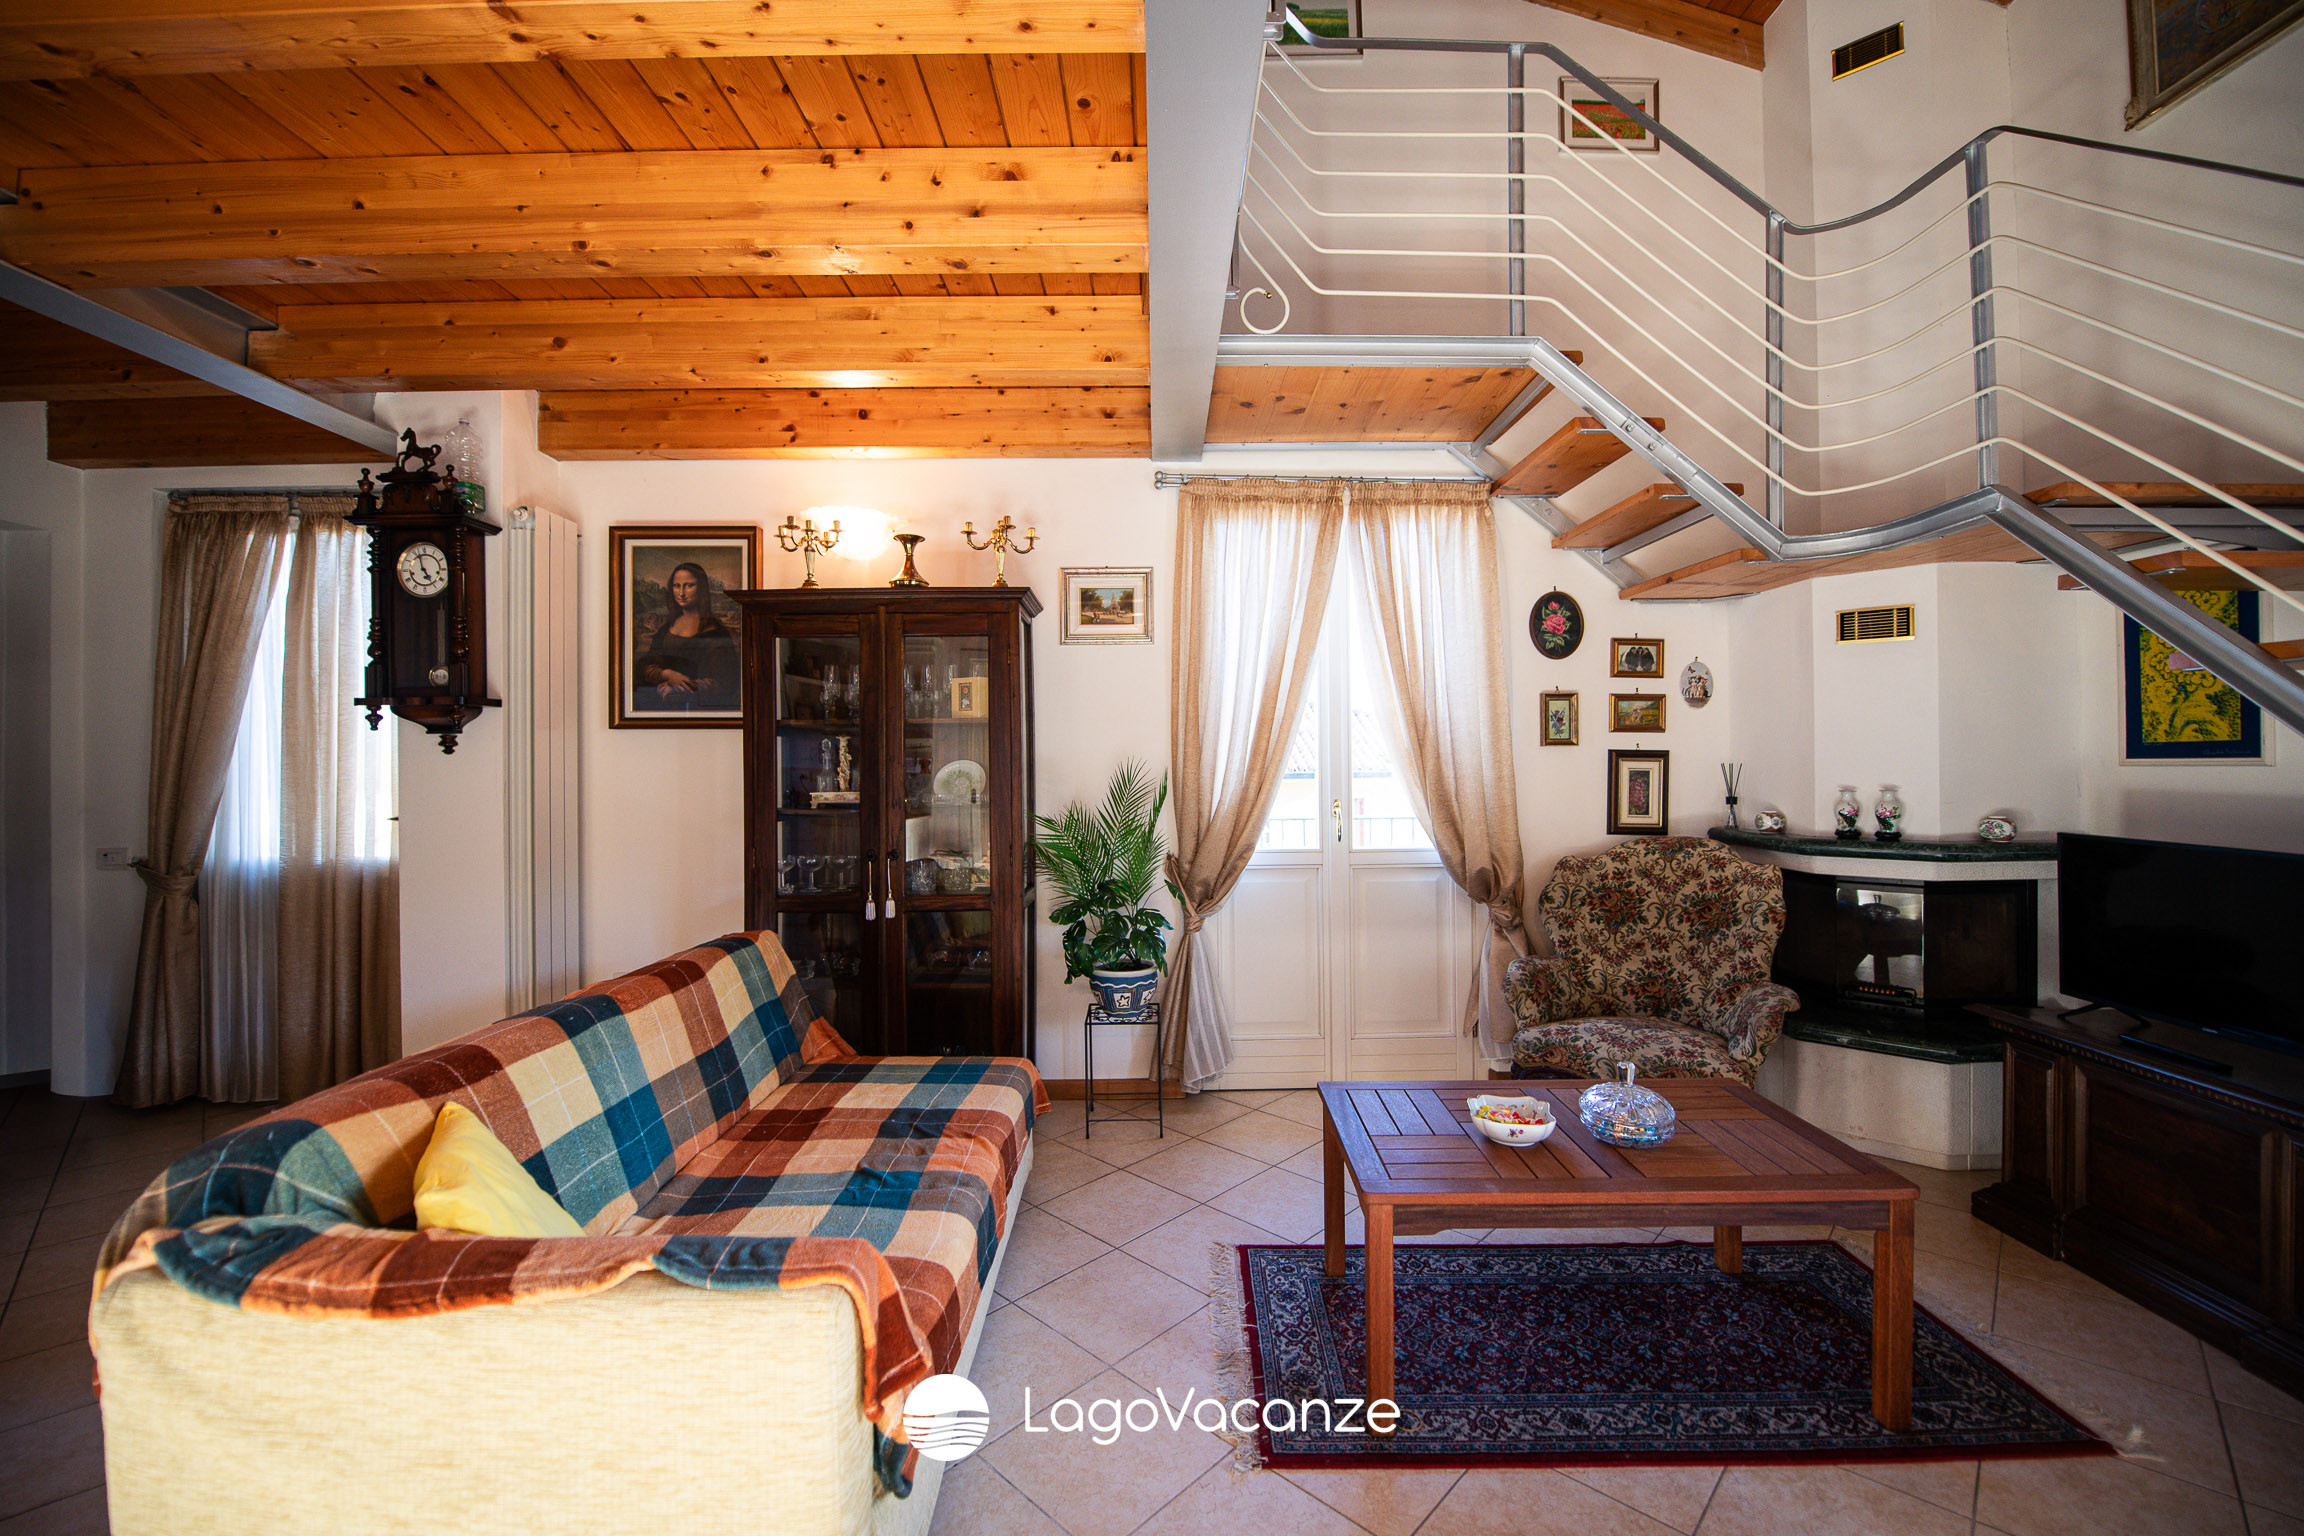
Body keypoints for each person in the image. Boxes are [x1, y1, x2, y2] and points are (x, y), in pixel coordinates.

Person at [634, 561, 738, 712]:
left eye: (689, 586)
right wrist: (667, 674)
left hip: (697, 710)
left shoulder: (715, 632)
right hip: (658, 709)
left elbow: (725, 682)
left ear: (701, 588)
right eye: (677, 586)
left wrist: (680, 687)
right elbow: (645, 666)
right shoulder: (666, 629)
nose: (681, 593)